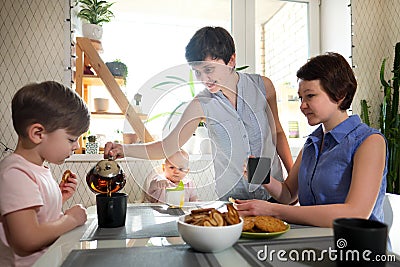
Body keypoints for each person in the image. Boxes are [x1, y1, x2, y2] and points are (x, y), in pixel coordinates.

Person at [105, 26, 293, 201]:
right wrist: (124, 149)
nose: (203, 79)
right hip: (234, 202)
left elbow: (277, 132)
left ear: (231, 60)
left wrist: (293, 181)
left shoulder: (263, 87)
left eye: (208, 70)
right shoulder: (200, 104)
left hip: (274, 195)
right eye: (197, 72)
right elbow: (167, 146)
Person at [235, 52, 387, 227]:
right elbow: (288, 194)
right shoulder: (312, 143)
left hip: (356, 249)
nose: (302, 105)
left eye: (310, 96)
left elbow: (355, 214)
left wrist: (272, 210)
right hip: (314, 241)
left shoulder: (370, 142)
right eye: (301, 97)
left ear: (340, 94)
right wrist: (261, 175)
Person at [0, 81, 90, 266]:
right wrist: (71, 219)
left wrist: (58, 198)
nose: (77, 146)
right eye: (72, 139)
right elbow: (28, 239)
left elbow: (37, 217)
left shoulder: (37, 169)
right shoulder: (15, 173)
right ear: (38, 133)